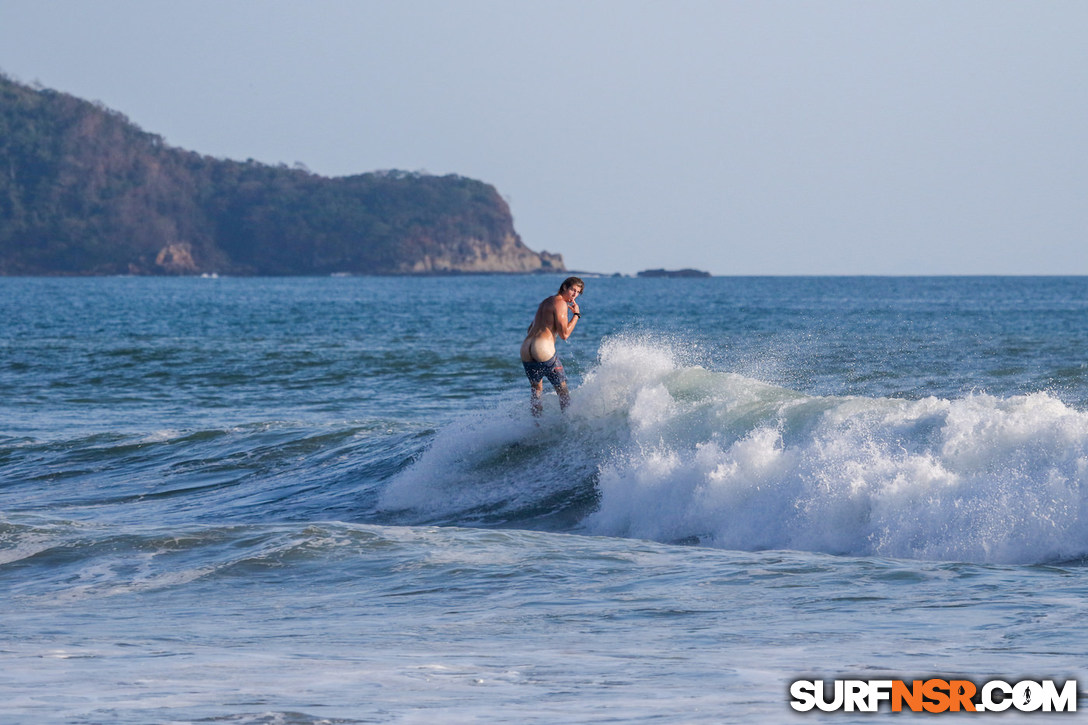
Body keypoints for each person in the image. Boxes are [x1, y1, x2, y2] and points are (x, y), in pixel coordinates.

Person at [520, 276, 584, 416]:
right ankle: (568, 428)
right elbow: (564, 334)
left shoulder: (545, 302)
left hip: (526, 348)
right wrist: (576, 315)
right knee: (563, 391)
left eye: (578, 292)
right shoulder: (560, 303)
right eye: (572, 290)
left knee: (536, 390)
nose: (574, 294)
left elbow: (530, 328)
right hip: (542, 348)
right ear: (564, 287)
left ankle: (536, 426)